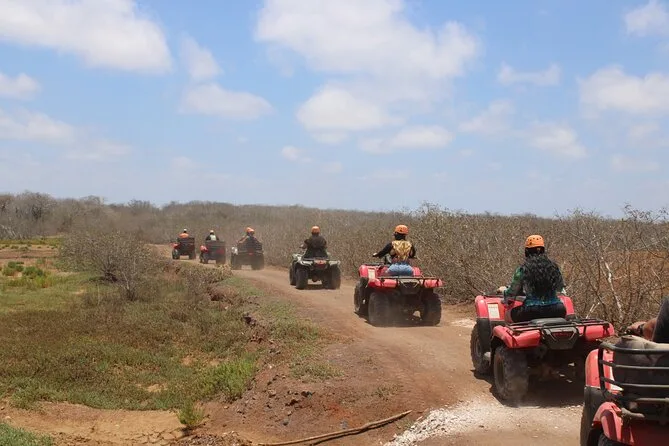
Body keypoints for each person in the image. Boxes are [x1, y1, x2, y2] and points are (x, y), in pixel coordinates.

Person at [497, 234, 567, 323]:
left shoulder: (523, 269)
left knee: (507, 315)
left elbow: (512, 292)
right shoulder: (554, 267)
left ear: (526, 251)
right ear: (543, 250)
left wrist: (504, 290)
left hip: (532, 311)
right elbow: (560, 288)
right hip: (558, 310)